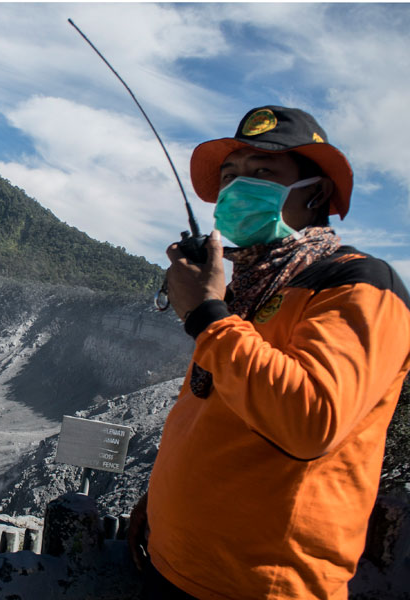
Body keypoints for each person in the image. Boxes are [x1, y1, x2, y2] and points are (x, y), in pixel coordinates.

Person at [128, 105, 410, 599]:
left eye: (262, 173)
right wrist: (159, 505)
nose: (237, 188)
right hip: (175, 565)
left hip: (262, 586)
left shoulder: (358, 284)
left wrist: (206, 314)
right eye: (231, 175)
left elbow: (311, 422)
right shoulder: (247, 289)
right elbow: (214, 412)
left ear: (316, 192)